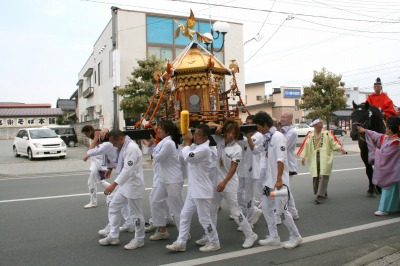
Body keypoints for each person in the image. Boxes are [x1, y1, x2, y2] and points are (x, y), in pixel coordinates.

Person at [252, 111, 303, 249]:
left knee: (281, 211)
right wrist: (247, 137)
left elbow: (281, 159)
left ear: (264, 125)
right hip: (269, 183)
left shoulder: (278, 137)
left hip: (279, 183)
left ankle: (296, 236)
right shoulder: (267, 137)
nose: (258, 130)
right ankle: (274, 236)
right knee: (267, 208)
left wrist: (279, 180)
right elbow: (255, 151)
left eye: (258, 126)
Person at [166, 124, 221, 252]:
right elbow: (182, 154)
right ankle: (181, 242)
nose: (195, 136)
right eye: (194, 133)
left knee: (204, 219)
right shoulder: (196, 147)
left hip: (202, 190)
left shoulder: (205, 149)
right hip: (193, 189)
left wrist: (187, 142)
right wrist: (186, 143)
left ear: (206, 137)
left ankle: (214, 241)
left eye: (198, 134)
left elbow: (187, 157)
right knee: (184, 215)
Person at [209, 120, 258, 249]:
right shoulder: (219, 140)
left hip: (229, 182)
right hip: (217, 181)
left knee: (235, 211)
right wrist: (217, 126)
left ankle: (250, 235)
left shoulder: (236, 148)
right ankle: (210, 236)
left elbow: (233, 168)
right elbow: (208, 123)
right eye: (228, 132)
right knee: (212, 209)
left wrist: (224, 183)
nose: (230, 135)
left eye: (233, 133)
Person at [99, 130, 146, 250]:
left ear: (120, 139)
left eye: (114, 143)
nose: (113, 145)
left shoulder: (131, 148)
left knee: (136, 214)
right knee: (114, 206)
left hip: (133, 185)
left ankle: (139, 239)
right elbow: (120, 164)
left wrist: (113, 184)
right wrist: (110, 168)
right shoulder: (123, 147)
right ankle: (113, 235)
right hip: (125, 185)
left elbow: (127, 170)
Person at [148, 120, 184, 241]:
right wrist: (154, 147)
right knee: (155, 201)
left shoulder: (168, 143)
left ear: (167, 131)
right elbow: (156, 156)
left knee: (177, 208)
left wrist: (154, 151)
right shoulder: (162, 142)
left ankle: (184, 234)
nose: (157, 130)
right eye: (158, 128)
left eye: (160, 129)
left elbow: (157, 158)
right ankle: (162, 230)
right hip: (164, 179)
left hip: (173, 180)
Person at [357, 116, 400, 216]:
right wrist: (365, 131)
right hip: (393, 171)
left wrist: (374, 149)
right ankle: (396, 207)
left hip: (392, 171)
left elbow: (384, 156)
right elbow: (375, 135)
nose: (385, 129)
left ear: (390, 128)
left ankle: (384, 209)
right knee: (395, 192)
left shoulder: (396, 142)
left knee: (388, 191)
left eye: (386, 127)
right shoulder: (387, 138)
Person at [297, 118, 346, 204]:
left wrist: (340, 149)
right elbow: (306, 146)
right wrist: (303, 157)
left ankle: (320, 196)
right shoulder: (310, 135)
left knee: (324, 175)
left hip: (325, 156)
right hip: (314, 157)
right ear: (315, 125)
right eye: (320, 123)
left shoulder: (327, 134)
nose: (322, 124)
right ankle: (322, 191)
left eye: (321, 123)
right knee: (315, 176)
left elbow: (333, 143)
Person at [236, 115, 264, 229]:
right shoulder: (244, 135)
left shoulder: (259, 136)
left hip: (252, 170)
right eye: (246, 123)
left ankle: (249, 220)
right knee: (238, 195)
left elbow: (248, 143)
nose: (248, 125)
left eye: (250, 123)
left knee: (248, 196)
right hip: (242, 168)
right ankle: (255, 210)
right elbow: (239, 143)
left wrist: (244, 136)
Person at [81, 125, 111, 209]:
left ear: (90, 131)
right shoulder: (93, 137)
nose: (86, 136)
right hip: (96, 163)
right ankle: (115, 190)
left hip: (100, 163)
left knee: (91, 182)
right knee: (101, 180)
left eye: (86, 133)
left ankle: (93, 202)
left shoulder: (98, 137)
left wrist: (87, 155)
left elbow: (94, 148)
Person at [280, 111, 299, 219]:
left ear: (290, 119)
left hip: (288, 164)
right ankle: (291, 211)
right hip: (282, 164)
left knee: (285, 189)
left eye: (284, 117)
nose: (282, 119)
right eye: (281, 117)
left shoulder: (292, 132)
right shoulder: (283, 131)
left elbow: (283, 146)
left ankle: (292, 212)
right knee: (285, 189)